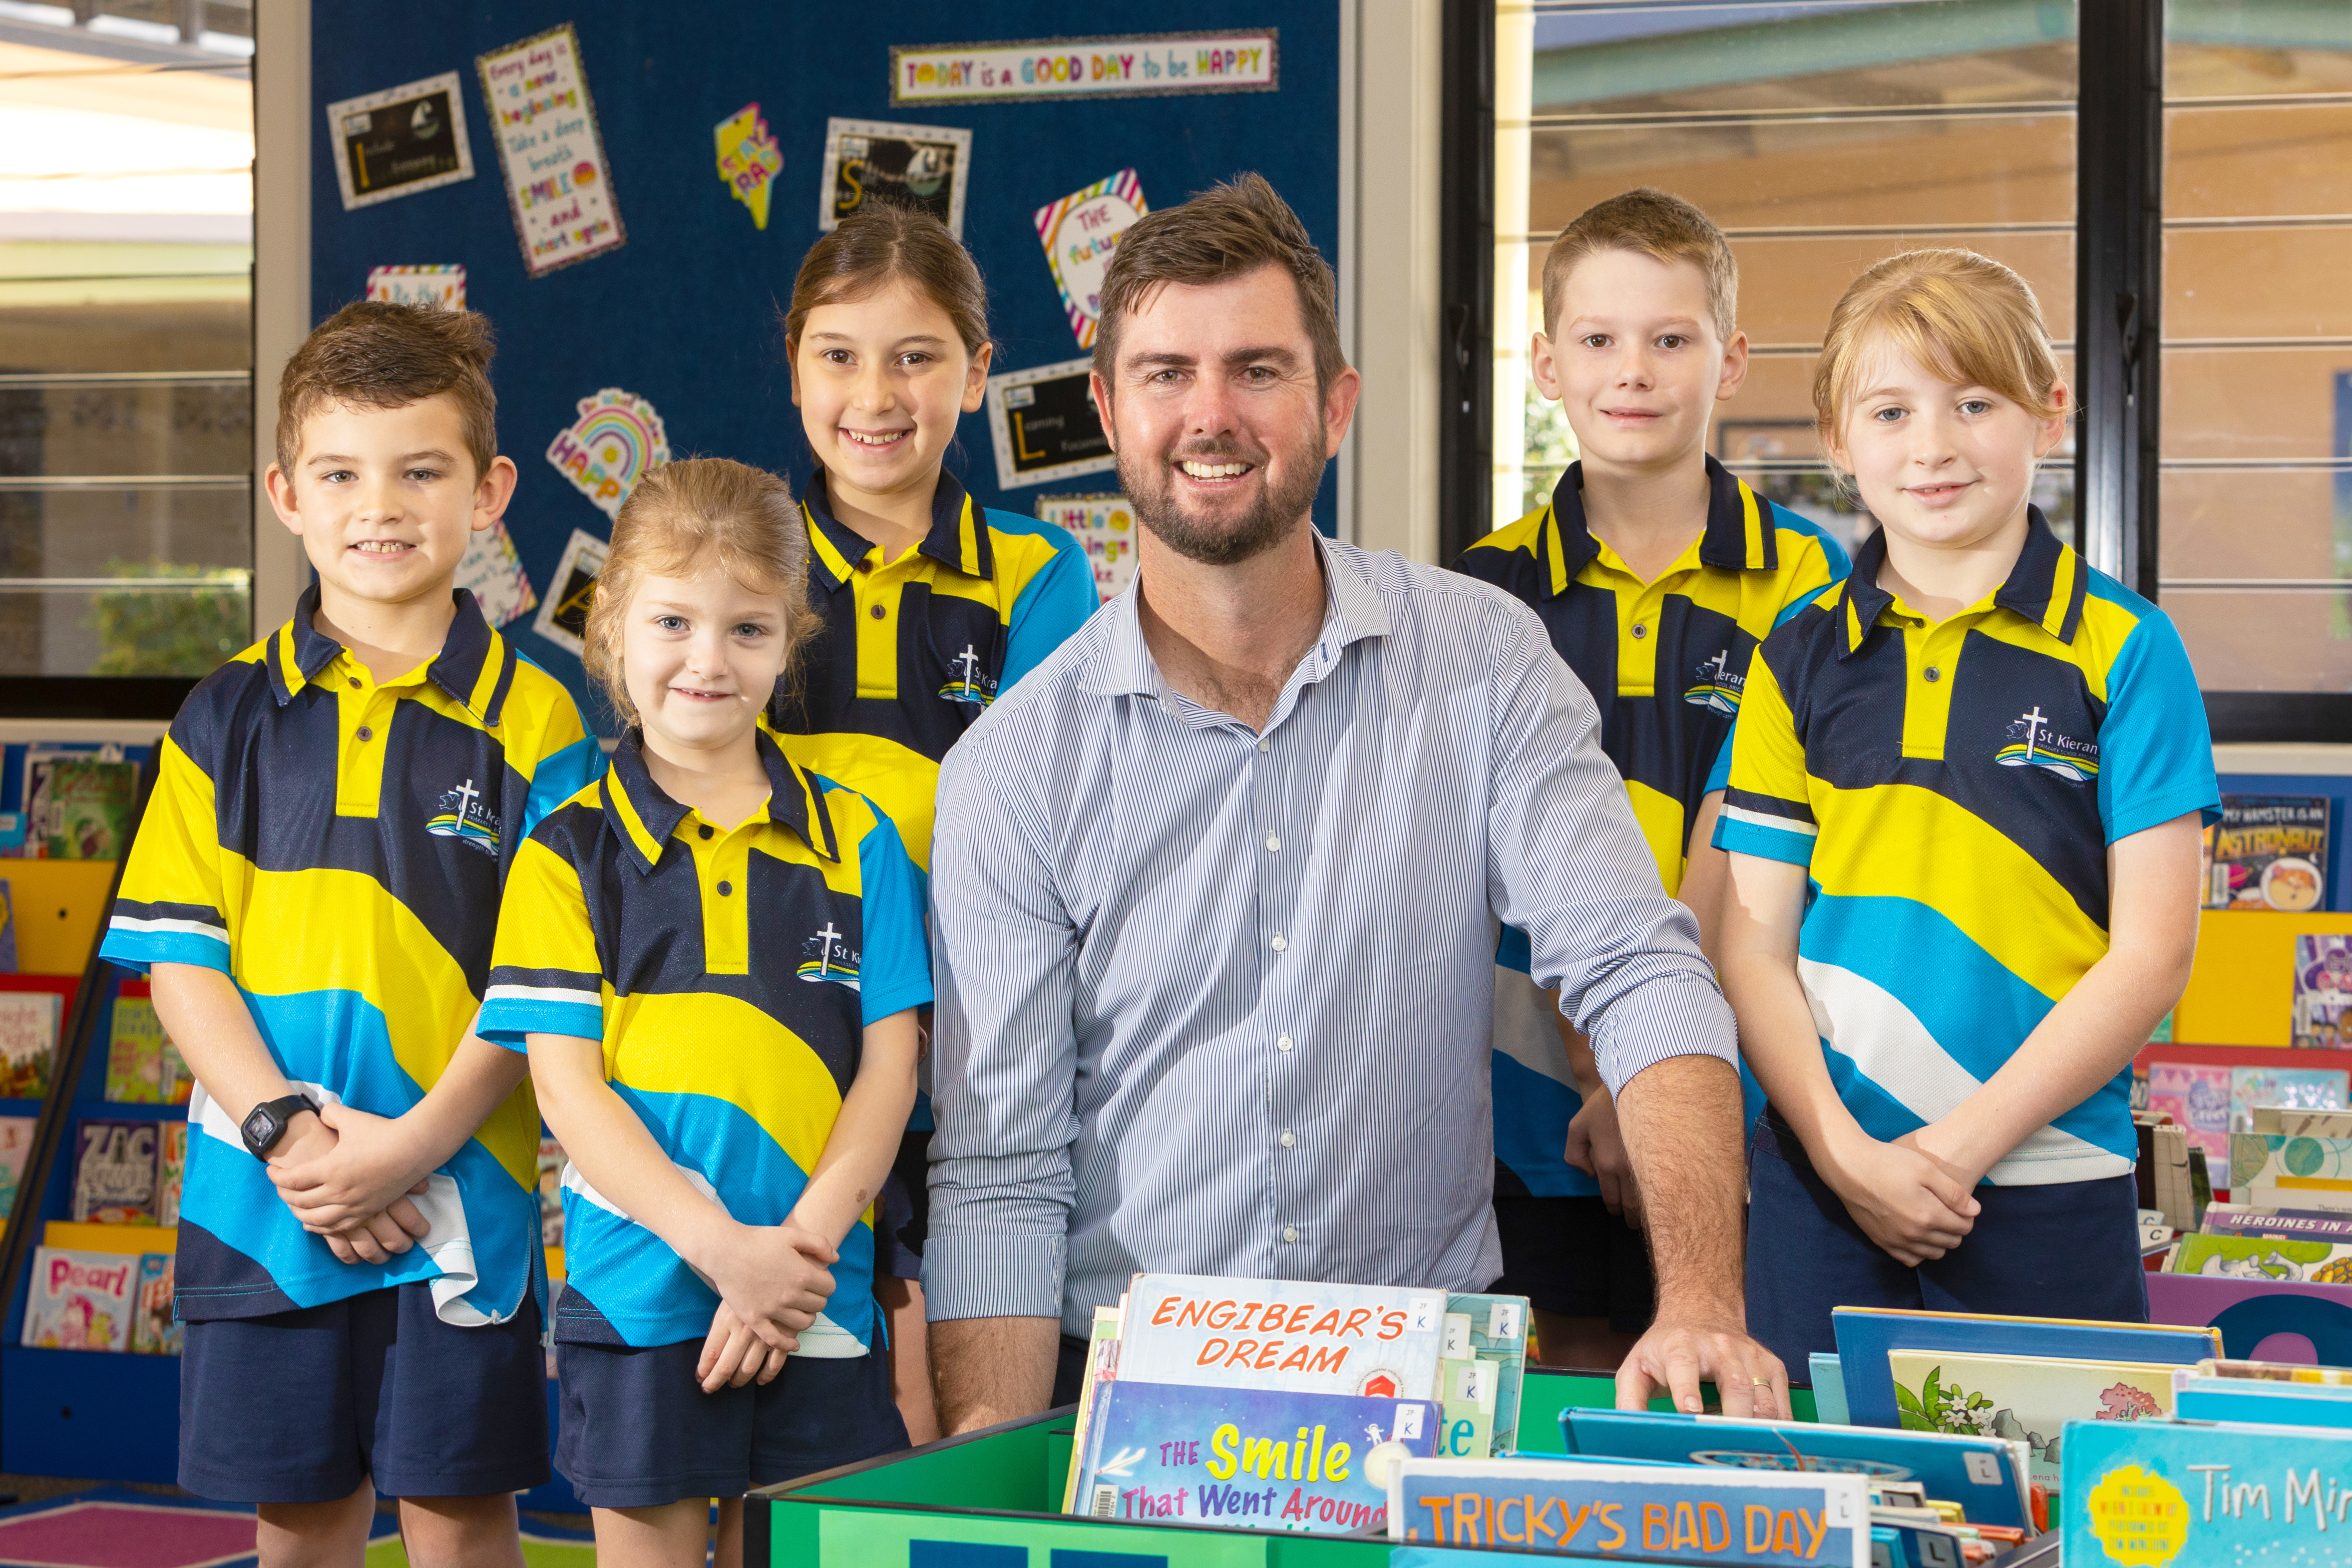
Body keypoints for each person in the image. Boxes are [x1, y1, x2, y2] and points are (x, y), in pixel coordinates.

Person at [922, 172, 1786, 1434]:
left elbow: (1641, 973)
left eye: (1259, 370)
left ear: (1335, 404)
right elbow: (1001, 1176)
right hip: (1127, 1415)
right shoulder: (1010, 766)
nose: (1211, 416)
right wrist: (996, 1498)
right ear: (1107, 409)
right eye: (1167, 373)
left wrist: (1701, 1297)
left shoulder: (1484, 660)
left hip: (1424, 1390)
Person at [99, 301, 602, 1567]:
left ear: (488, 491)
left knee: (458, 1510)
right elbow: (180, 964)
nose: (380, 505)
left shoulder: (542, 724)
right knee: (304, 1513)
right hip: (265, 1200)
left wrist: (416, 1146)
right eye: (341, 473)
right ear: (286, 492)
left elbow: (544, 986)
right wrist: (287, 1133)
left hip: (462, 1203)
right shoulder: (224, 714)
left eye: (420, 470)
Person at [1713, 249, 2218, 1370]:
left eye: (1974, 402)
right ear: (1841, 445)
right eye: (1890, 411)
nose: (1933, 445)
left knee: (2062, 1514)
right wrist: (1846, 1154)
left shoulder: (2128, 649)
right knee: (1819, 1510)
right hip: (1821, 1173)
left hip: (2049, 1175)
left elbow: (2152, 956)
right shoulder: (1794, 656)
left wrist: (1956, 1149)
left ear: (2050, 408)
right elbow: (1751, 942)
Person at [480, 458, 927, 1567]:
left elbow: (890, 1072)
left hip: (819, 1287)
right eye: (673, 621)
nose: (707, 660)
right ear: (613, 630)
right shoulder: (563, 847)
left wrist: (794, 1256)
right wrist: (722, 1251)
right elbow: (568, 1091)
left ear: (789, 641)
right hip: (643, 1292)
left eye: (748, 628)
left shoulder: (859, 838)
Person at [1456, 189, 1849, 1370]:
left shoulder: (1812, 583)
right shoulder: (1477, 595)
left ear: (1730, 362)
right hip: (1531, 1106)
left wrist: (1665, 1081)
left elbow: (1757, 843)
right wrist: (1604, 1081)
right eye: (1598, 340)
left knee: (1723, 1392)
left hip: (1749, 1095)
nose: (1634, 371)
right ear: (1543, 363)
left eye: (1671, 339)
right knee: (1551, 1413)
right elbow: (1501, 853)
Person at [772, 203, 1098, 1442]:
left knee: (931, 1421)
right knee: (761, 1414)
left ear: (977, 368)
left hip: (971, 1055)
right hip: (773, 1041)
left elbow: (1034, 831)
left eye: (916, 355)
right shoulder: (738, 564)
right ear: (794, 363)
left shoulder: (1039, 573)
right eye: (840, 354)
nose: (877, 392)